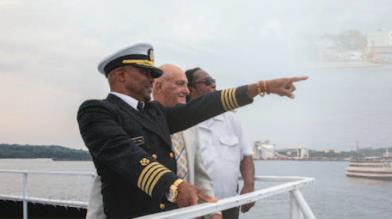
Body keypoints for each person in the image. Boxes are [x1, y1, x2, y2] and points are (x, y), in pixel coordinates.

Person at [76, 43, 307, 218]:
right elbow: (126, 155)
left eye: (154, 74)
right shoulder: (97, 111)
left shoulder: (154, 112)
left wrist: (261, 87)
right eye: (145, 72)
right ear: (121, 75)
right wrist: (175, 186)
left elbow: (202, 106)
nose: (151, 79)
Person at [183, 67, 257, 218]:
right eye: (207, 82)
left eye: (214, 82)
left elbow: (246, 155)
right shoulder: (182, 121)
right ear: (190, 88)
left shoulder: (231, 118)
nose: (213, 85)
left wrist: (249, 186)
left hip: (229, 204)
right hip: (196, 209)